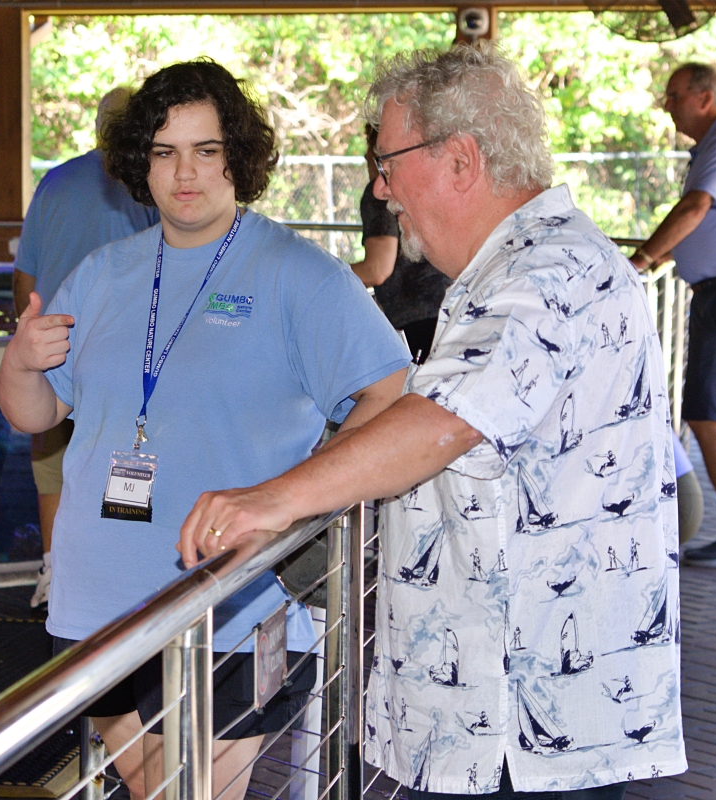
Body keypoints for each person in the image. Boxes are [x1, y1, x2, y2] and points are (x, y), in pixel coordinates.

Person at [179, 46, 686, 798]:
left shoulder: (543, 275)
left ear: (459, 160)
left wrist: (270, 501)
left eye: (388, 163)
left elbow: (445, 421)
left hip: (535, 738)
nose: (381, 191)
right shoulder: (519, 264)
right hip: (522, 726)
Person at [0, 59, 410, 800]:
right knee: (162, 791)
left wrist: (299, 491)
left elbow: (388, 389)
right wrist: (22, 363)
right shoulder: (102, 273)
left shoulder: (299, 273)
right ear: (140, 164)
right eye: (164, 152)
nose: (183, 173)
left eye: (205, 150)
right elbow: (35, 413)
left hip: (235, 602)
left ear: (238, 158)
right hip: (97, 603)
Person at [13, 88, 161, 606]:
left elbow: (24, 281)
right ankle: (120, 571)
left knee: (52, 465)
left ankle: (56, 572)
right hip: (123, 354)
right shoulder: (147, 188)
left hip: (56, 348)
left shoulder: (53, 183)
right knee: (124, 454)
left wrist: (30, 341)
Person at [631, 63, 716, 568]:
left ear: (705, 97)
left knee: (708, 412)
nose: (668, 105)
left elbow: (695, 207)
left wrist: (643, 259)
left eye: (675, 95)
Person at [351, 122, 451, 364]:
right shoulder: (429, 183)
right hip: (450, 311)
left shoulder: (381, 193)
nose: (366, 156)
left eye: (372, 150)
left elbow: (377, 269)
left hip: (414, 320)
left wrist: (325, 277)